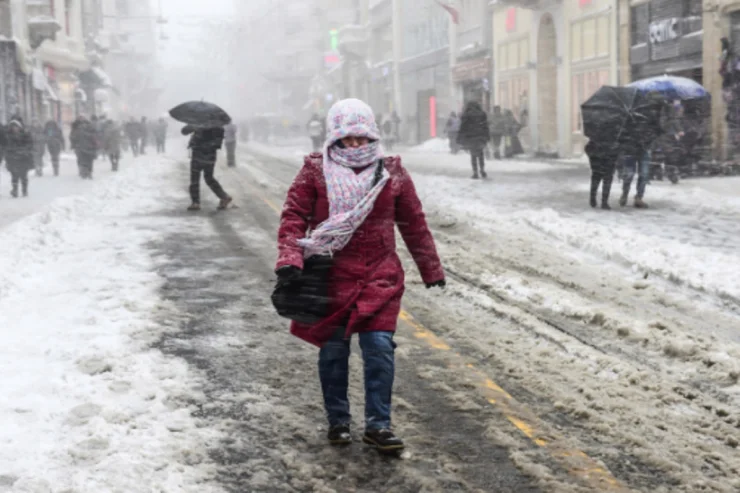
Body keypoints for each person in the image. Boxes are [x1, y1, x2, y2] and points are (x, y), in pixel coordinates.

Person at [275, 98, 445, 452]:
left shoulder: (391, 172)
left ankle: (378, 425)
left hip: (379, 275)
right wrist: (290, 258)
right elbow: (293, 216)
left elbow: (413, 223)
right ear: (334, 138)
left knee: (379, 347)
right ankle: (338, 420)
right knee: (333, 351)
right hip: (330, 274)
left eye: (362, 138)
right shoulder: (315, 170)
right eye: (346, 139)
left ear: (372, 136)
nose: (355, 145)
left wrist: (431, 268)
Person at [182, 124, 232, 211]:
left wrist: (195, 128)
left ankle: (195, 202)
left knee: (195, 178)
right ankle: (224, 197)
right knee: (208, 177)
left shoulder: (199, 123)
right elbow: (184, 131)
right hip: (210, 155)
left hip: (199, 153)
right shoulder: (218, 126)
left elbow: (184, 131)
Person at [457, 101, 490, 179]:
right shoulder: (482, 114)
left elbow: (463, 127)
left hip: (471, 137)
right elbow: (485, 126)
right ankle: (482, 170)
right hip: (481, 137)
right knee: (481, 154)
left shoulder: (466, 115)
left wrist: (460, 137)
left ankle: (475, 172)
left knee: (473, 155)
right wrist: (487, 136)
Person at [585, 135, 620, 210]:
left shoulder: (613, 138)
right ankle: (594, 198)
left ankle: (603, 201)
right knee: (597, 181)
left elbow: (588, 149)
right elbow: (588, 149)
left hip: (607, 162)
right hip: (599, 162)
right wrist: (593, 157)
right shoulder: (597, 137)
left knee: (605, 181)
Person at [5, 117, 33, 197]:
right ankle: (15, 190)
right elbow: (6, 146)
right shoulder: (8, 136)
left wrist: (23, 151)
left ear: (19, 127)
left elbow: (30, 145)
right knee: (14, 175)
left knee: (23, 175)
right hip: (12, 158)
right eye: (13, 127)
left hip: (23, 158)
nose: (14, 128)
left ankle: (24, 190)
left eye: (16, 126)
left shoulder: (25, 134)